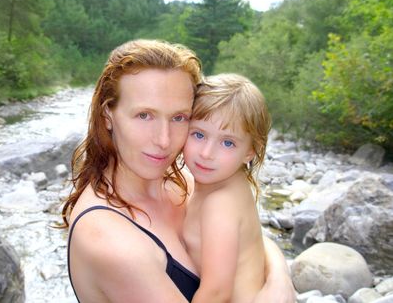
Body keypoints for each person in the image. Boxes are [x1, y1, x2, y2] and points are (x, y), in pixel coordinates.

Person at [61, 39, 295, 302]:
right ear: (108, 116)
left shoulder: (183, 181)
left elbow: (249, 240)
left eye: (179, 117)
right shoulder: (108, 238)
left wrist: (280, 281)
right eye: (144, 115)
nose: (163, 139)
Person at [183, 73, 270, 302]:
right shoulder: (227, 182)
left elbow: (216, 292)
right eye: (199, 134)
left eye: (228, 142)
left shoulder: (219, 203)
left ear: (250, 151)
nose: (206, 153)